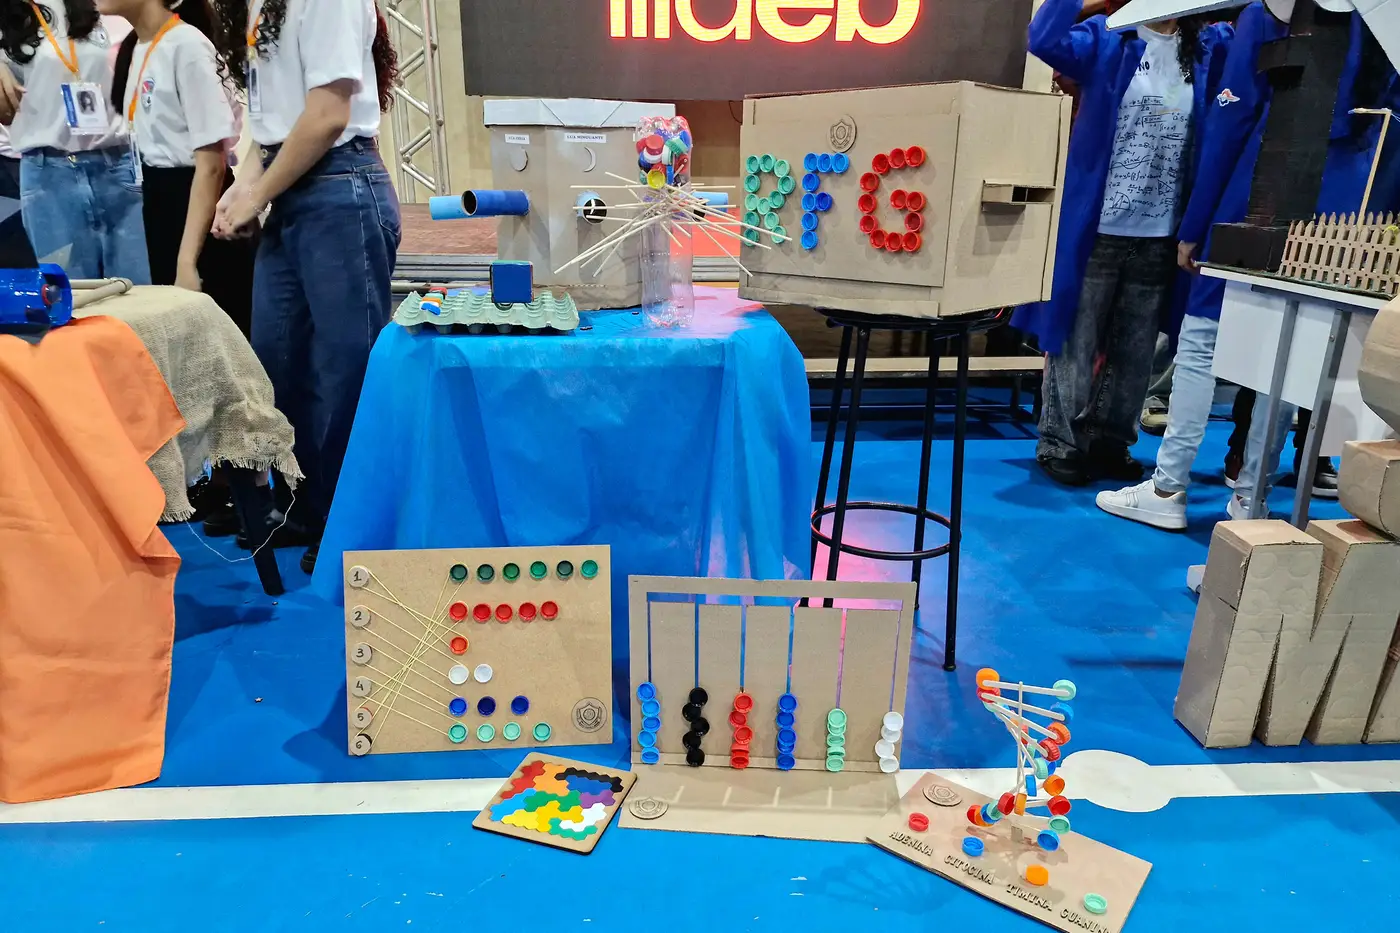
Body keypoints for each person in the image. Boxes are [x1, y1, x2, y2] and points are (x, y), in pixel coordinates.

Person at [1097, 7, 1396, 529]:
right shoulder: (1385, 19)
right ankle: (1251, 502)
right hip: (1343, 215)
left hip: (1256, 199)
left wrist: (1195, 222)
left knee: (1200, 342)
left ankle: (1168, 487)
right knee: (1290, 360)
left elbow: (1232, 118)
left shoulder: (1270, 13)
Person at [210, 0, 400, 574]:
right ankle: (307, 506)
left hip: (339, 190)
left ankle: (351, 522)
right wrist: (243, 187)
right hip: (292, 188)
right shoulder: (261, 6)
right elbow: (275, 126)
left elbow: (327, 116)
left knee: (346, 375)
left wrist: (257, 192)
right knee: (277, 363)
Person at [1013, 0, 1233, 486]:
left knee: (1136, 350)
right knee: (1076, 340)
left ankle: (1112, 440)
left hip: (1162, 234)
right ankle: (1060, 441)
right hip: (1098, 227)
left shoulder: (1209, 45)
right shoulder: (1107, 37)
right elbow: (1043, 40)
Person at [101, 0, 254, 335]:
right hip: (158, 200)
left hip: (194, 206)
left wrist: (186, 261)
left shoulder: (187, 46)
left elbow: (211, 165)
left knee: (216, 336)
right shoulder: (138, 48)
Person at [0, 1, 150, 280]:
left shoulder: (104, 6)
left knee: (141, 291)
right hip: (47, 176)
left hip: (119, 165)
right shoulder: (8, 14)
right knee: (70, 294)